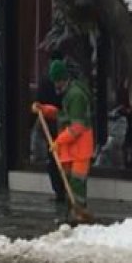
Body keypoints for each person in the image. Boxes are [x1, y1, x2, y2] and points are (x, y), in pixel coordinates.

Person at [32, 59, 94, 218]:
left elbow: (77, 127)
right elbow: (63, 115)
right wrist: (44, 109)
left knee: (76, 185)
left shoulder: (76, 95)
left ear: (62, 79)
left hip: (79, 149)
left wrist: (58, 142)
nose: (55, 86)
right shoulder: (69, 94)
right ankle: (73, 214)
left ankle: (80, 214)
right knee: (69, 186)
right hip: (72, 149)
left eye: (56, 82)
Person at [31, 52, 67, 203]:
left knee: (54, 158)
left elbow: (39, 100)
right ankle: (64, 191)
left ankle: (60, 192)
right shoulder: (60, 80)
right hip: (59, 123)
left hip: (53, 123)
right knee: (59, 158)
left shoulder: (46, 79)